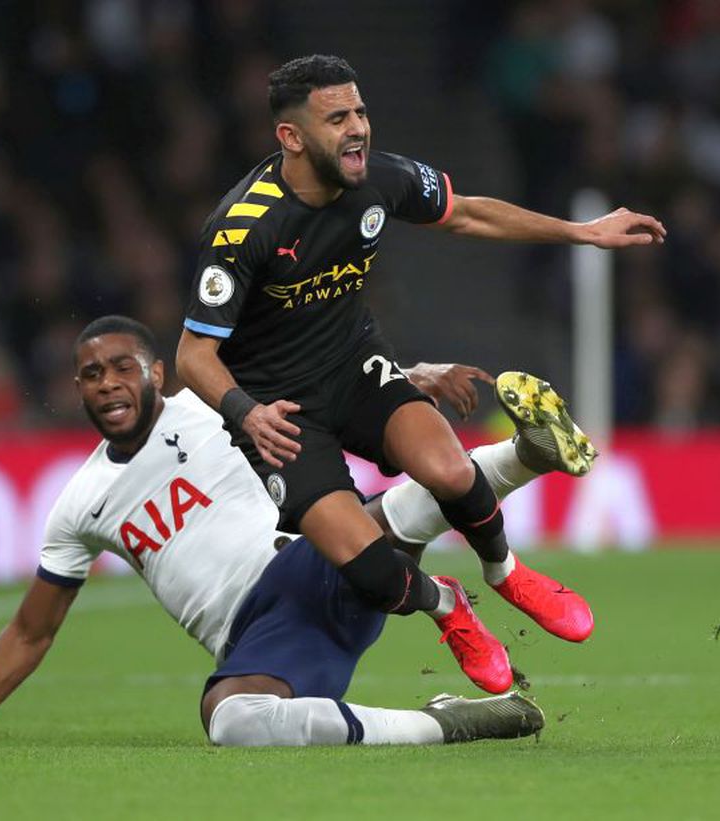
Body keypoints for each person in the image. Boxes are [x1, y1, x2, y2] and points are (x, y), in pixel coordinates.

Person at [176, 54, 665, 690]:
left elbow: (466, 212)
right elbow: (192, 355)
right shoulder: (245, 227)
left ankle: (506, 572)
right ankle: (449, 608)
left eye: (360, 111)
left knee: (450, 470)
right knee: (371, 572)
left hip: (354, 366)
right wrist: (246, 412)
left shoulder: (377, 179)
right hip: (280, 413)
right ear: (290, 138)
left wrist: (583, 233)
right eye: (336, 118)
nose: (357, 128)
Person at [0, 316, 584, 747]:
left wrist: (412, 377)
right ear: (78, 389)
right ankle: (453, 721)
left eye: (122, 366)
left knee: (376, 519)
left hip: (313, 560)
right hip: (268, 637)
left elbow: (332, 387)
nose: (109, 384)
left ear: (157, 372)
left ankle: (530, 452)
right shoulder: (79, 503)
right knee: (235, 719)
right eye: (93, 374)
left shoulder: (215, 402)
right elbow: (30, 631)